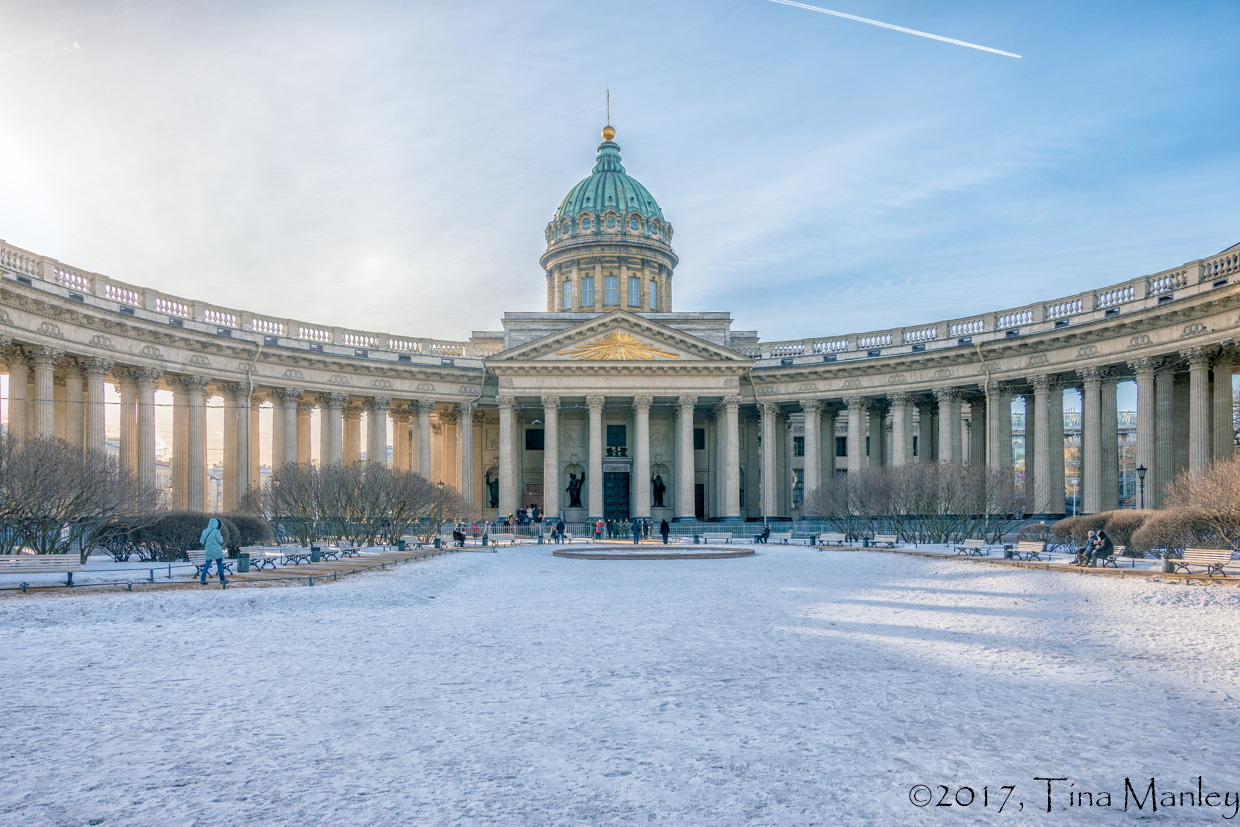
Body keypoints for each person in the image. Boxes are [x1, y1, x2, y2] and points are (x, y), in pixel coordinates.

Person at [199, 517, 227, 585]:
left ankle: (203, 579)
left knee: (206, 565)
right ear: (217, 524)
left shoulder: (205, 531)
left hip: (208, 550)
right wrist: (221, 538)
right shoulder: (216, 531)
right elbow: (220, 541)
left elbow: (202, 542)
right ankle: (222, 579)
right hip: (217, 551)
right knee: (219, 565)